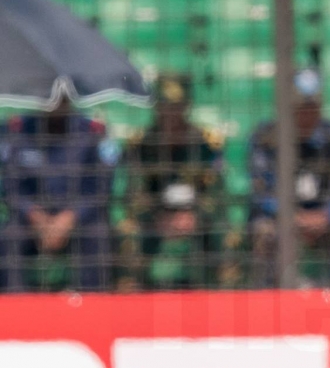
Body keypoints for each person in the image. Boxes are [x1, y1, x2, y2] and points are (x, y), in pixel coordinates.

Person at [117, 74, 232, 290]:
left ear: (186, 107)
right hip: (154, 219)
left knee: (226, 232)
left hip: (198, 218)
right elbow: (131, 194)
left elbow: (218, 194)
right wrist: (158, 216)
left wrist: (195, 215)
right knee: (127, 231)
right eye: (165, 106)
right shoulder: (140, 145)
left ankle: (219, 295)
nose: (170, 113)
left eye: (176, 106)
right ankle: (133, 296)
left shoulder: (206, 145)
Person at [1, 96, 118, 290]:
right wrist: (35, 215)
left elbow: (99, 187)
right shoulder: (20, 131)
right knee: (9, 238)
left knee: (98, 234)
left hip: (76, 218)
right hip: (33, 218)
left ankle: (93, 299)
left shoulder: (90, 132)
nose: (55, 105)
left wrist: (69, 217)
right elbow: (12, 187)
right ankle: (15, 301)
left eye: (61, 99)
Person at [248, 68, 330, 288]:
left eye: (312, 106)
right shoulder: (265, 139)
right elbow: (260, 192)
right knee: (263, 231)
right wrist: (293, 217)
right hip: (282, 219)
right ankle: (266, 298)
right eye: (301, 106)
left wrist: (327, 215)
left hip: (325, 218)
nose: (307, 113)